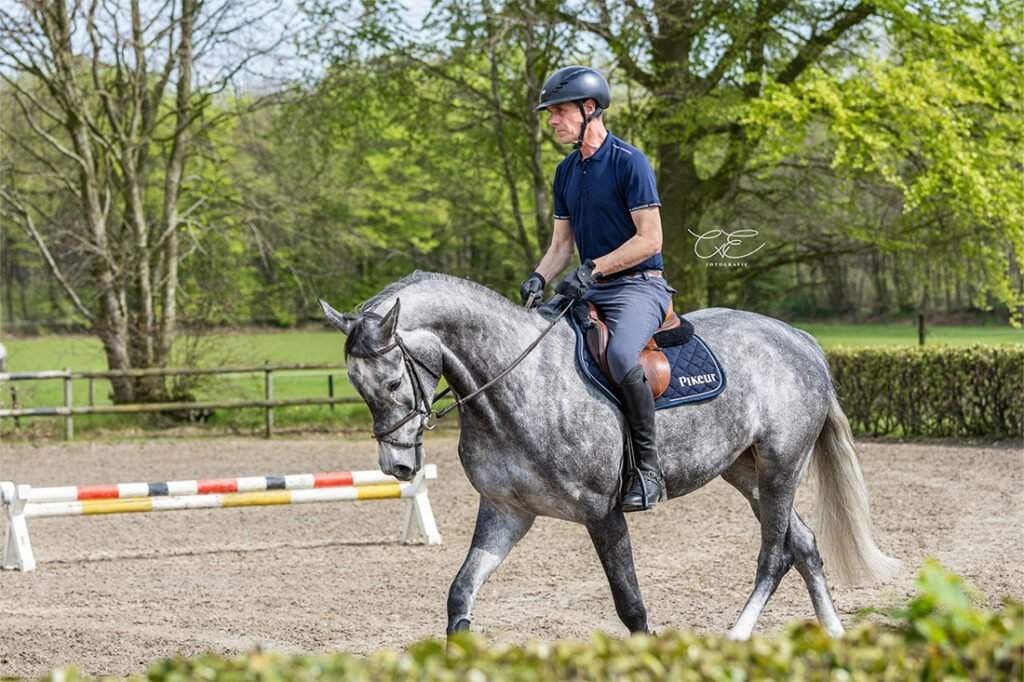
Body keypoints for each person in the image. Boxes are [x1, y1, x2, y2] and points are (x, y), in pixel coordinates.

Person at [520, 65, 674, 512]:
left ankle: (648, 468)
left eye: (560, 111)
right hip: (589, 287)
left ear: (590, 109)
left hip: (638, 287)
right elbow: (561, 245)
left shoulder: (630, 162)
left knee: (624, 355)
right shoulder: (567, 171)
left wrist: (595, 269)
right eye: (550, 113)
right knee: (534, 341)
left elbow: (651, 239)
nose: (552, 121)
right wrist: (539, 277)